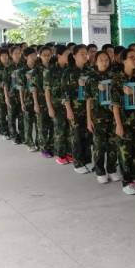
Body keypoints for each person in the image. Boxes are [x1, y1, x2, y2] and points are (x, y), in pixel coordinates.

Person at [111, 47, 135, 195]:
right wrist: (118, 124)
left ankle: (134, 179)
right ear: (124, 60)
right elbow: (115, 104)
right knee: (125, 153)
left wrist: (134, 93)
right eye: (131, 57)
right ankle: (126, 182)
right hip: (124, 121)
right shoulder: (117, 79)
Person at [86, 50, 120, 183]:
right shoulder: (91, 78)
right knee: (99, 146)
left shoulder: (114, 76)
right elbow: (88, 100)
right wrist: (89, 120)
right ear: (95, 61)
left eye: (106, 59)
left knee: (112, 144)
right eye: (101, 60)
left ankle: (112, 169)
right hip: (97, 116)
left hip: (112, 116)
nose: (104, 62)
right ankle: (100, 171)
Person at [63, 44, 92, 173]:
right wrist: (68, 109)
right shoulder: (68, 72)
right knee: (76, 135)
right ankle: (78, 163)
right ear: (74, 56)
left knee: (87, 134)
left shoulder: (89, 71)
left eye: (86, 53)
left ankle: (88, 160)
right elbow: (64, 93)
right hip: (75, 109)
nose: (85, 56)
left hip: (87, 108)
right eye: (82, 53)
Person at [44, 45, 72, 165]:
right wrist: (50, 107)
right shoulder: (49, 71)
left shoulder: (68, 69)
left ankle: (68, 153)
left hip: (68, 105)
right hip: (57, 106)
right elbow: (47, 91)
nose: (69, 57)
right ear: (59, 55)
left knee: (68, 130)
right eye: (67, 54)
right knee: (59, 131)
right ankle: (60, 155)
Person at [29, 46, 55, 158]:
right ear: (40, 56)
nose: (47, 57)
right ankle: (44, 148)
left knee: (52, 125)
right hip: (40, 100)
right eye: (44, 55)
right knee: (42, 126)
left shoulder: (53, 68)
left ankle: (51, 146)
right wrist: (35, 103)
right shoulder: (36, 70)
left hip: (53, 100)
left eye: (49, 55)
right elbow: (33, 88)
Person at [20, 47, 39, 151]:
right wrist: (22, 102)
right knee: (28, 122)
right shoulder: (22, 71)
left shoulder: (38, 69)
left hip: (39, 99)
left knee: (38, 122)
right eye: (31, 55)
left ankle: (38, 142)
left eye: (35, 55)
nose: (34, 57)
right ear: (26, 57)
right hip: (27, 99)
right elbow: (21, 88)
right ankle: (30, 143)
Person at [5, 45, 25, 144]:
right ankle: (13, 135)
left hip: (22, 95)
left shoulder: (23, 66)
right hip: (12, 95)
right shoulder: (8, 67)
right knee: (11, 116)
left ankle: (22, 135)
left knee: (21, 116)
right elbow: (5, 84)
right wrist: (6, 97)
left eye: (19, 53)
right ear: (11, 54)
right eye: (16, 53)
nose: (18, 55)